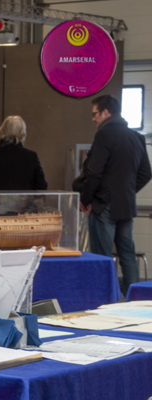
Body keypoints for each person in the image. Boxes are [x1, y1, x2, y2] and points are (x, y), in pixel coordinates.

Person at [73, 94, 152, 295]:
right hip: (126, 204)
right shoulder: (136, 137)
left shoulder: (104, 135)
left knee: (102, 257)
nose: (93, 119)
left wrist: (86, 199)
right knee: (127, 254)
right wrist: (126, 191)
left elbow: (94, 172)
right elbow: (146, 173)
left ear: (106, 112)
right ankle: (136, 299)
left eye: (95, 114)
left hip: (104, 204)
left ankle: (106, 299)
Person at [0, 115, 48, 191]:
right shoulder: (32, 157)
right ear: (23, 134)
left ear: (2, 131)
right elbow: (41, 186)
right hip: (24, 200)